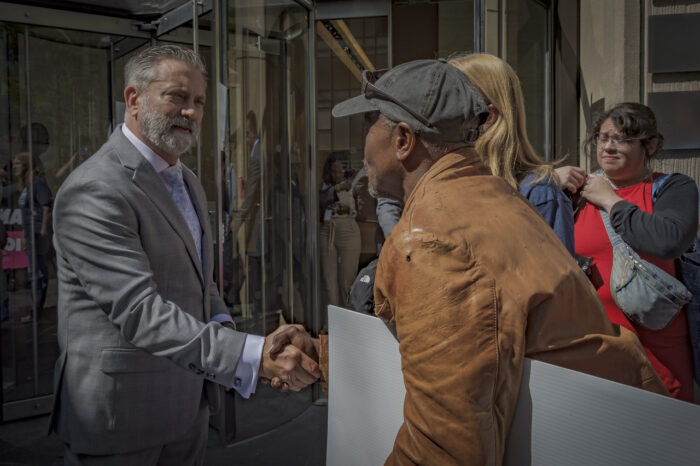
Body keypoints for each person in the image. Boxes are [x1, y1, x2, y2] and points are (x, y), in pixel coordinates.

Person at [271, 59, 668, 465]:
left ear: (403, 140)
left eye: (372, 122)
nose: (364, 140)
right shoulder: (489, 196)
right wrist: (325, 358)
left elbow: (444, 449)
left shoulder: (435, 240)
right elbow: (465, 360)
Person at [49, 45, 319, 464]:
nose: (191, 112)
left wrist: (227, 332)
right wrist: (248, 355)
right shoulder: (96, 188)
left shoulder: (187, 180)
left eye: (199, 102)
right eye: (176, 96)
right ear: (134, 99)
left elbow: (200, 282)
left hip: (188, 409)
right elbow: (139, 311)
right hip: (120, 418)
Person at [574, 102, 698, 402]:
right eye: (604, 137)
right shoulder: (576, 194)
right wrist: (549, 181)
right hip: (594, 354)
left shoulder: (673, 188)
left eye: (624, 139)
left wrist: (612, 202)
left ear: (650, 145)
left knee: (663, 442)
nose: (609, 147)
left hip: (659, 357)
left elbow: (668, 240)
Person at [449, 53, 575, 254]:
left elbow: (559, 283)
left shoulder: (539, 194)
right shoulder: (446, 183)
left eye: (450, 104)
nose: (438, 117)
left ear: (488, 117)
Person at [319, 152, 362, 318]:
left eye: (340, 170)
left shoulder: (353, 185)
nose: (337, 174)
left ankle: (349, 321)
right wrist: (335, 189)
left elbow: (362, 209)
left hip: (347, 230)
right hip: (327, 230)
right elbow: (319, 203)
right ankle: (332, 323)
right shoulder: (323, 188)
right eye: (333, 171)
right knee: (329, 281)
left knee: (347, 281)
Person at [13, 152, 51, 317]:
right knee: (35, 270)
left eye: (17, 164)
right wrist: (23, 235)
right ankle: (37, 307)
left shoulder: (37, 184)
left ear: (26, 165)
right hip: (30, 233)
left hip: (37, 233)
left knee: (35, 272)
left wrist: (42, 230)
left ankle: (36, 310)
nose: (14, 167)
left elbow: (46, 207)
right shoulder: (27, 186)